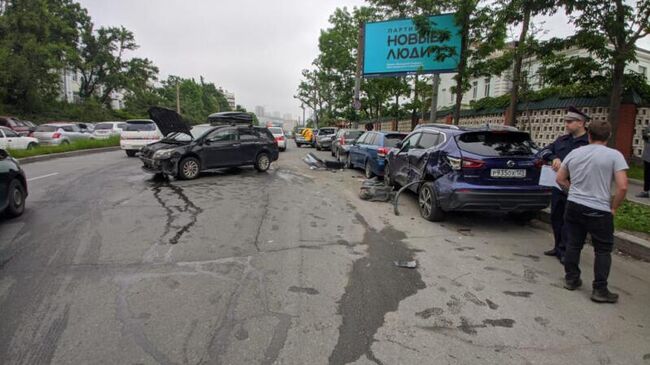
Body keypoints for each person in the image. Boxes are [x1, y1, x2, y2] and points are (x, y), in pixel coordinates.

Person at [556, 120, 628, 303]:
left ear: (589, 135)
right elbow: (623, 187)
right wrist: (613, 207)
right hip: (599, 208)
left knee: (573, 244)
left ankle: (571, 279)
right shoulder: (614, 155)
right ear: (609, 136)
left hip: (573, 205)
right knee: (603, 250)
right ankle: (600, 289)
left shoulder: (575, 153)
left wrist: (572, 190)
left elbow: (560, 178)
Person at [538, 106, 590, 262]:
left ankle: (566, 251)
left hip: (576, 187)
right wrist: (553, 157)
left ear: (581, 123)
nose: (566, 124)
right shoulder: (562, 140)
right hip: (557, 186)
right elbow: (543, 151)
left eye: (570, 121)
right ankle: (558, 246)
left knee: (570, 221)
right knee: (556, 217)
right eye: (566, 121)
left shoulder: (588, 142)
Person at [636, 126, 650, 198]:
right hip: (648, 154)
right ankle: (646, 191)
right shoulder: (649, 127)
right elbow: (644, 135)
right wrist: (646, 136)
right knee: (647, 174)